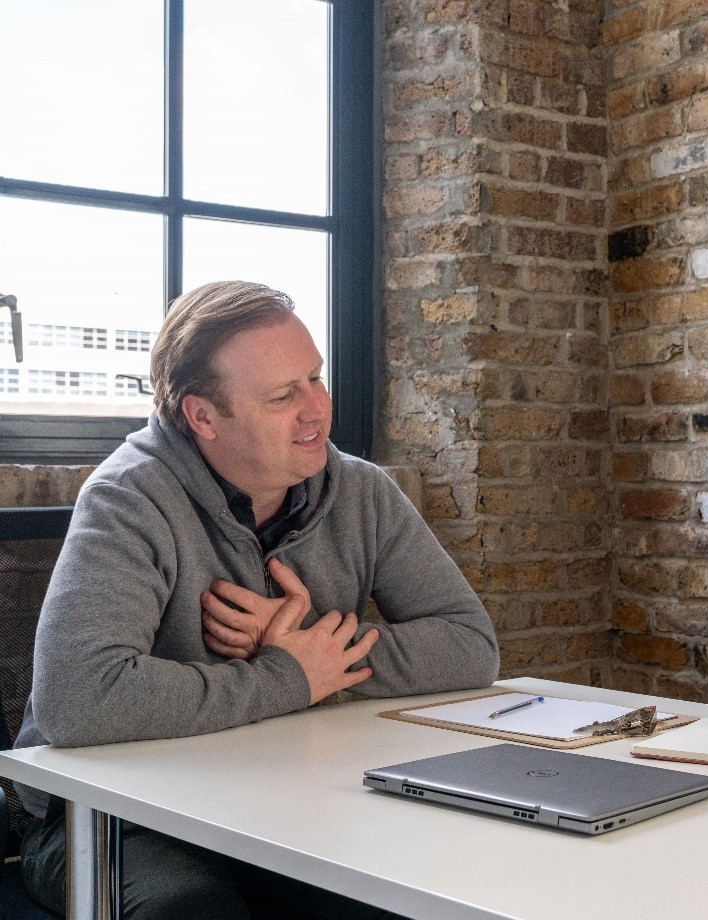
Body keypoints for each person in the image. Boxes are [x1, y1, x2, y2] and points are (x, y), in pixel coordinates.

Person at [15, 280, 500, 918]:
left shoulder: (362, 492)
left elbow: (471, 646)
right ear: (203, 417)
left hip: (290, 795)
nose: (316, 412)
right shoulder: (129, 498)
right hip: (114, 819)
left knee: (422, 892)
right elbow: (80, 700)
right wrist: (291, 676)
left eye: (315, 380)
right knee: (192, 912)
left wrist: (312, 645)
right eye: (281, 396)